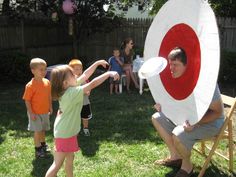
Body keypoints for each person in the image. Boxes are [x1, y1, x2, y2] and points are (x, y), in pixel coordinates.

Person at [151, 47, 224, 177]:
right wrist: (164, 108)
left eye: (175, 65)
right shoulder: (179, 79)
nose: (171, 68)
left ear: (186, 65)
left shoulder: (205, 82)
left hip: (210, 123)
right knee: (157, 117)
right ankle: (176, 156)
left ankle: (187, 167)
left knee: (178, 133)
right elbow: (179, 106)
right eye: (170, 64)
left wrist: (195, 123)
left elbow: (217, 113)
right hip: (188, 120)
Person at [45, 60, 119, 177]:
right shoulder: (72, 92)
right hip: (65, 133)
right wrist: (108, 74)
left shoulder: (69, 87)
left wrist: (97, 63)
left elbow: (85, 75)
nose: (76, 76)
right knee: (57, 164)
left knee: (70, 158)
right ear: (65, 83)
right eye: (72, 75)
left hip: (67, 131)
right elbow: (92, 84)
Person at [22, 58, 53, 158]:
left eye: (45, 69)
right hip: (34, 113)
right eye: (41, 69)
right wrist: (31, 113)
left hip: (44, 111)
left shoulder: (47, 82)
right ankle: (38, 149)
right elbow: (27, 100)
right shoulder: (30, 86)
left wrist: (50, 107)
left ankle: (43, 144)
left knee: (43, 129)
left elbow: (49, 96)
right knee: (37, 131)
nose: (44, 72)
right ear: (33, 71)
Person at [69, 59, 92, 136]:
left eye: (80, 69)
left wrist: (87, 92)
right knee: (76, 117)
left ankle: (85, 128)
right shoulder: (70, 81)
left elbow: (89, 89)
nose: (79, 71)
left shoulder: (84, 79)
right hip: (75, 104)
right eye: (76, 69)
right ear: (71, 70)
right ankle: (76, 130)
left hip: (85, 102)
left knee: (85, 117)